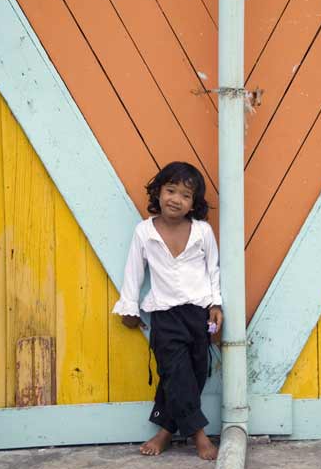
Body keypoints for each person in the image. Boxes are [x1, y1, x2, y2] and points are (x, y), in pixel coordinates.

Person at [112, 161, 223, 460]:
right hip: (165, 315)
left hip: (198, 315)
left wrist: (216, 305)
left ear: (193, 203)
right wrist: (129, 307)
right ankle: (199, 435)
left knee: (195, 373)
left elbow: (213, 270)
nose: (176, 199)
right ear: (158, 192)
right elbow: (133, 272)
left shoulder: (202, 232)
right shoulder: (144, 232)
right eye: (170, 190)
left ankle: (165, 430)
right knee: (175, 372)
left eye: (185, 195)